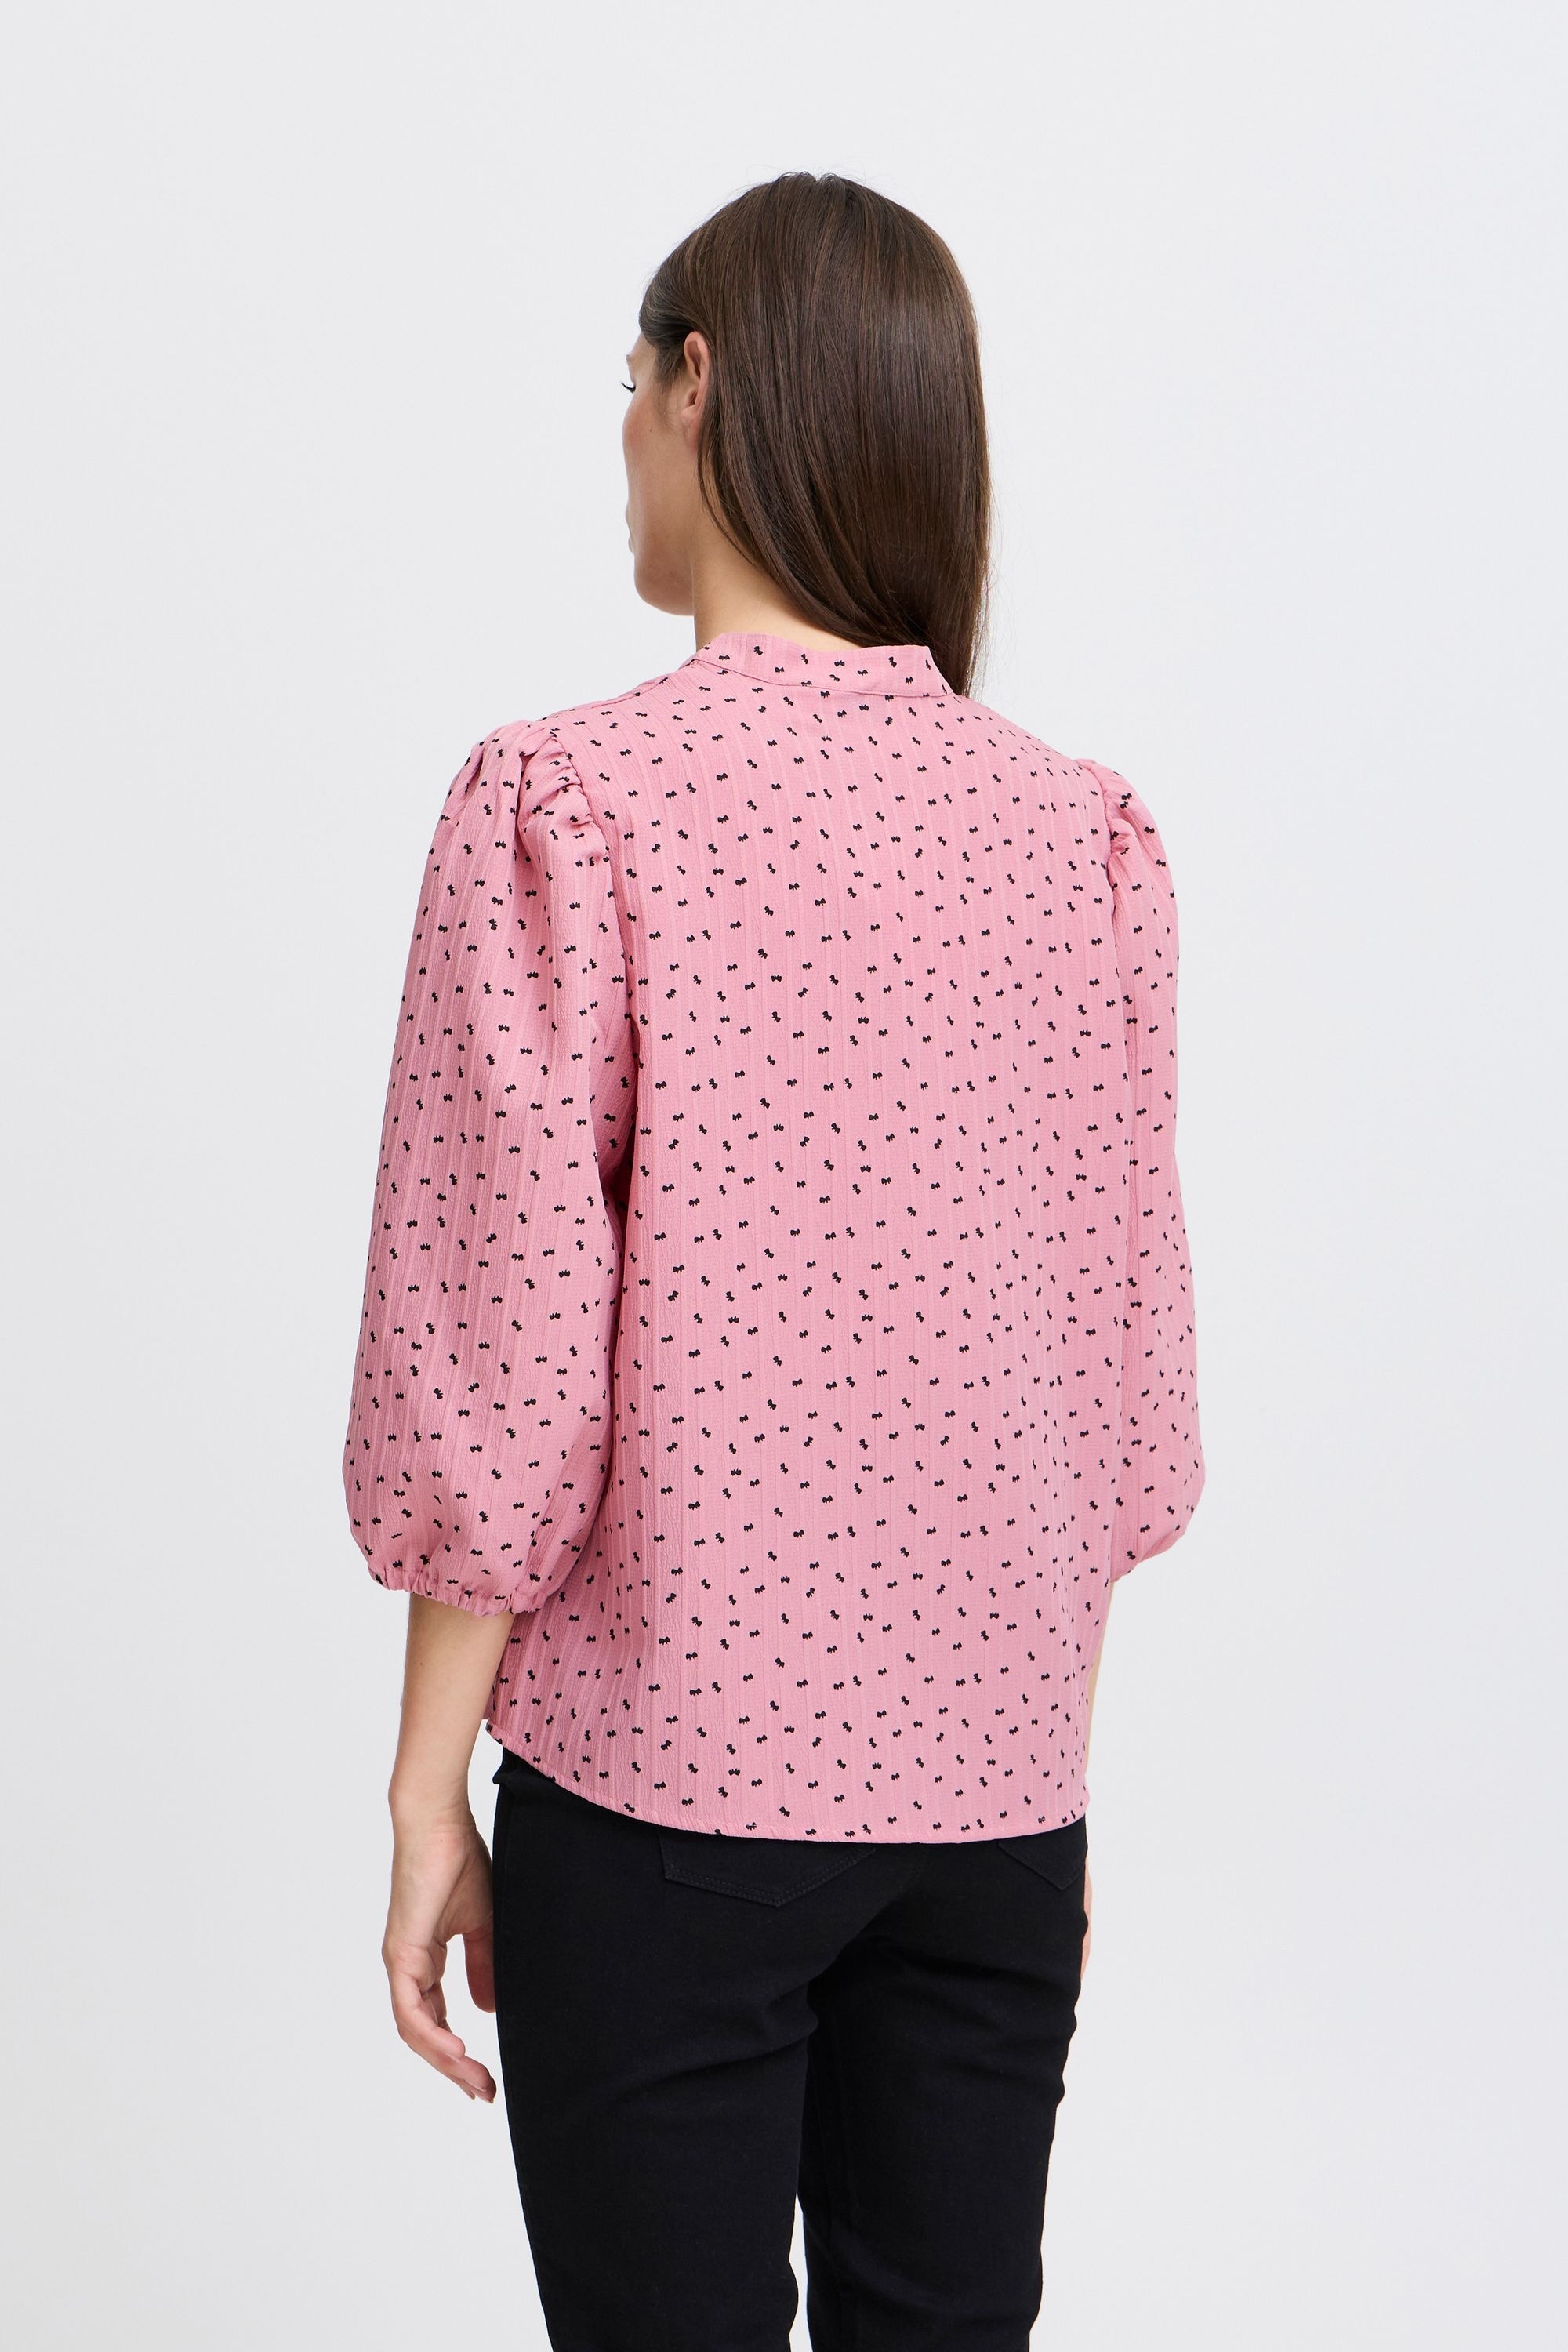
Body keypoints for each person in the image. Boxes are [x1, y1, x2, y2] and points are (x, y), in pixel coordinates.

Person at [341, 169, 1205, 2351]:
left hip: (665, 1801)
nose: (619, 428)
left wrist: (427, 1788)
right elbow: (1113, 1387)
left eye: (626, 381)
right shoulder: (1082, 838)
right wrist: (1038, 1790)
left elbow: (500, 1357)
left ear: (699, 385)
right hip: (997, 1814)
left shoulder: (570, 807)